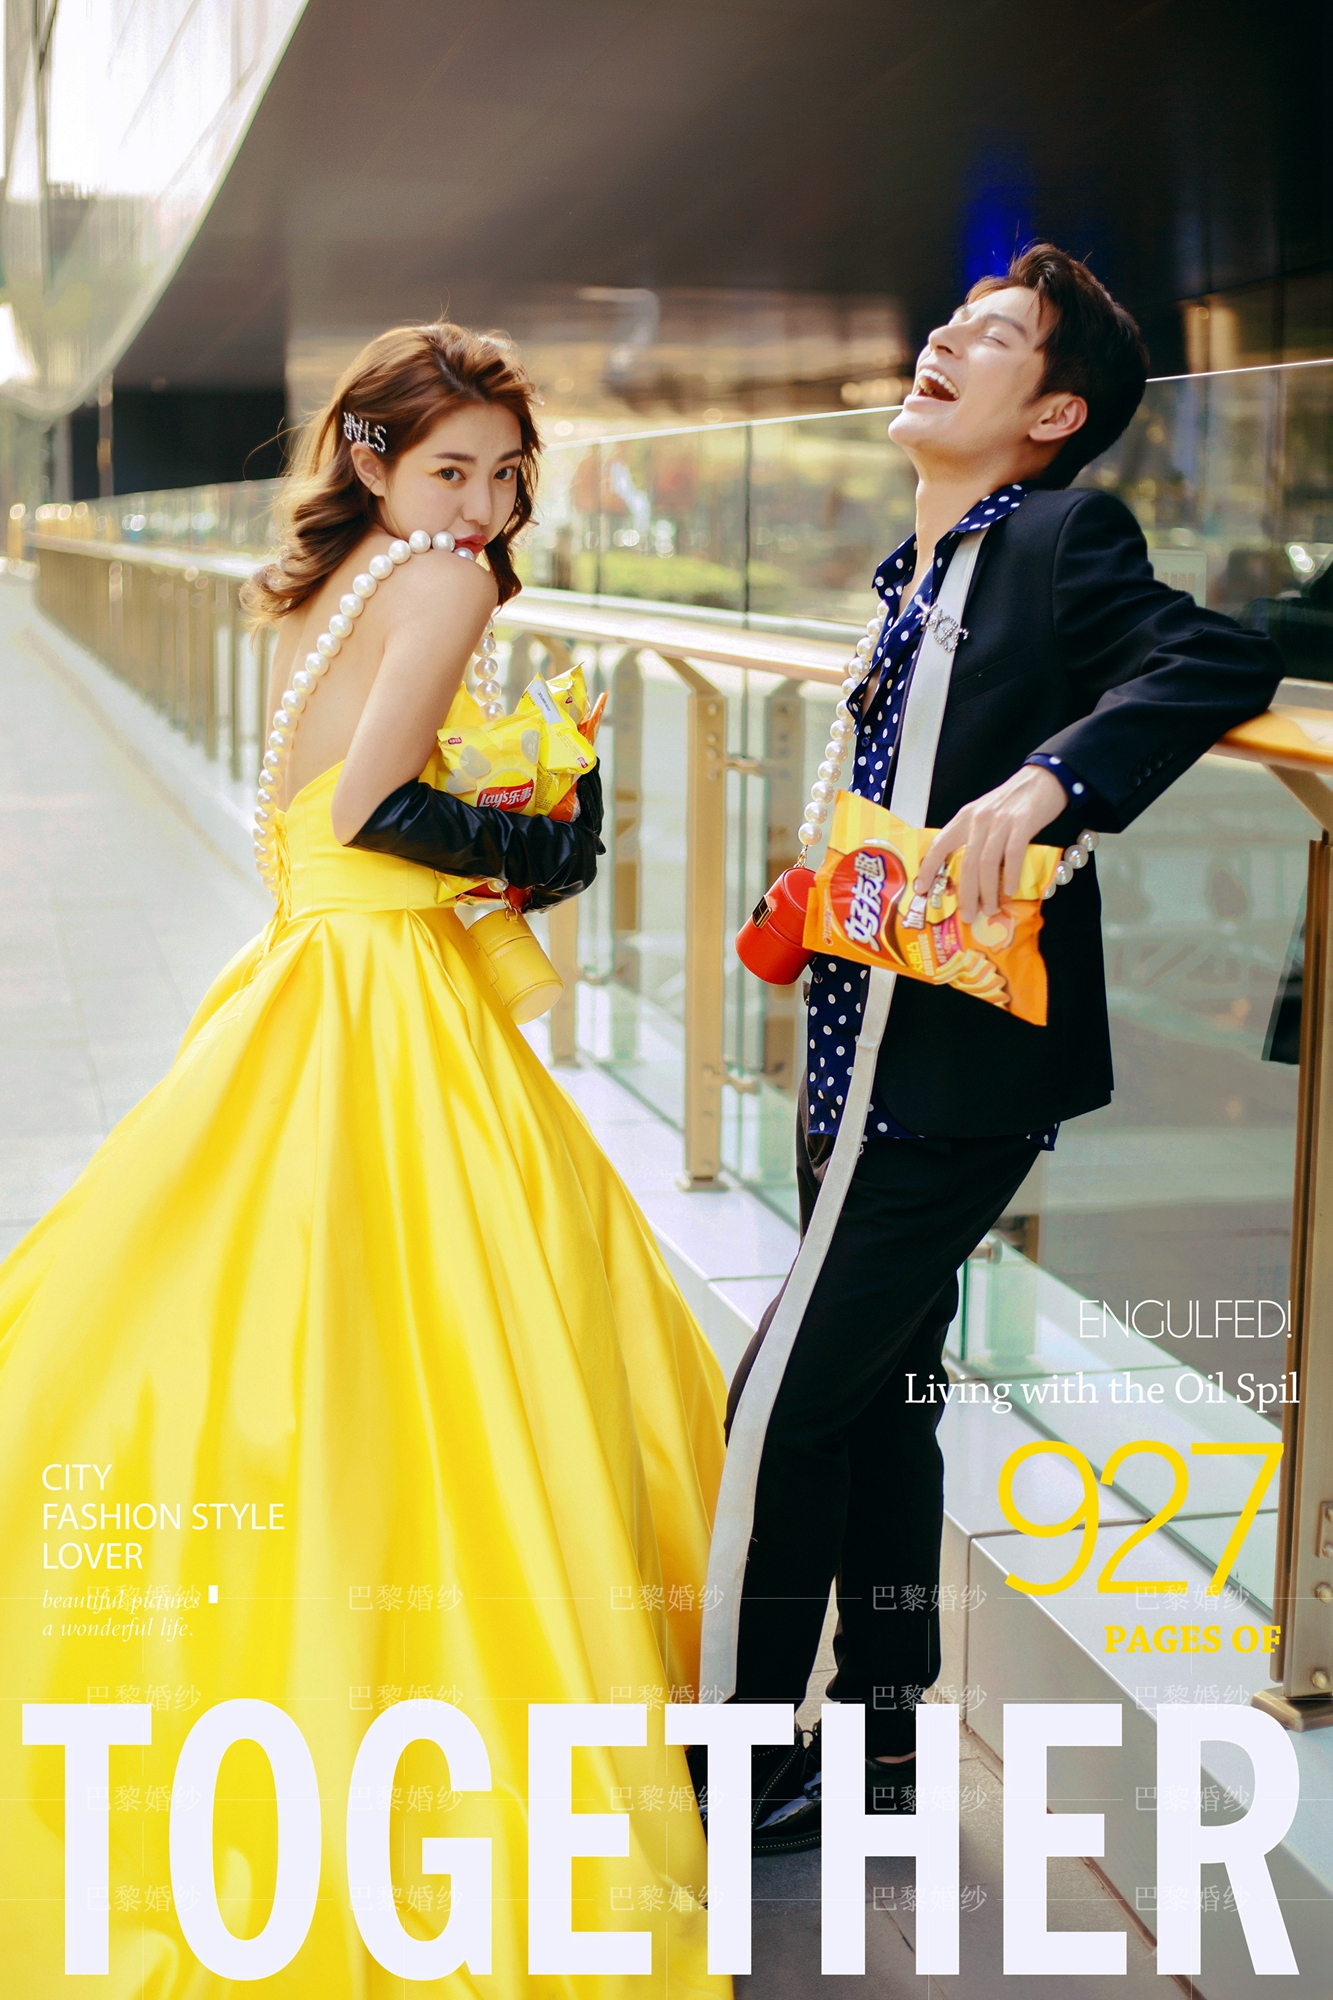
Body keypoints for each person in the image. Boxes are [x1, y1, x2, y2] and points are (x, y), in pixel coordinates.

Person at [0, 323, 729, 1997]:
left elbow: (316, 808)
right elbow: (368, 810)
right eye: (449, 468)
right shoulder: (444, 586)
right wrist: (542, 844)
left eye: (503, 475)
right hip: (382, 988)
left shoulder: (330, 582)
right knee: (470, 1322)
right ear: (374, 456)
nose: (481, 506)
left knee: (288, 1313)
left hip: (314, 968)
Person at [716, 246, 1286, 1855]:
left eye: (988, 336)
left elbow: (1213, 657)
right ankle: (881, 1741)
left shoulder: (1053, 535)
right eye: (947, 323)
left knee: (776, 1414)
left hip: (943, 1076)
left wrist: (1048, 782)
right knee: (880, 1399)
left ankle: (733, 1767)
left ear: (1051, 413)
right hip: (867, 1046)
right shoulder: (920, 567)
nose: (940, 342)